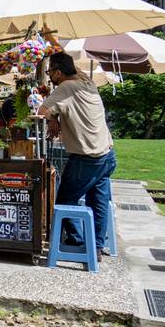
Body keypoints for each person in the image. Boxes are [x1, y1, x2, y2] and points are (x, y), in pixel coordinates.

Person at [37, 52, 116, 255]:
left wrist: (53, 117)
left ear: (58, 72)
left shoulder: (66, 87)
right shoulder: (86, 80)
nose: (49, 76)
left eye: (49, 72)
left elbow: (41, 111)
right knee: (97, 201)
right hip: (107, 154)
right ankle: (96, 246)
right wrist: (50, 39)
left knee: (65, 202)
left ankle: (79, 242)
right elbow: (68, 63)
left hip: (86, 156)